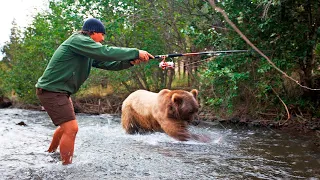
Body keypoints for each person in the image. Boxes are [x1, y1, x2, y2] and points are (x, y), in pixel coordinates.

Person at [35, 18, 154, 165]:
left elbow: (109, 63)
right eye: (102, 34)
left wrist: (129, 61)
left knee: (65, 127)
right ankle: (66, 168)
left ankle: (50, 154)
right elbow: (104, 52)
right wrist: (136, 52)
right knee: (71, 129)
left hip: (59, 91)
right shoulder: (78, 40)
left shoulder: (86, 49)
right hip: (52, 91)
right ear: (92, 32)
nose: (103, 39)